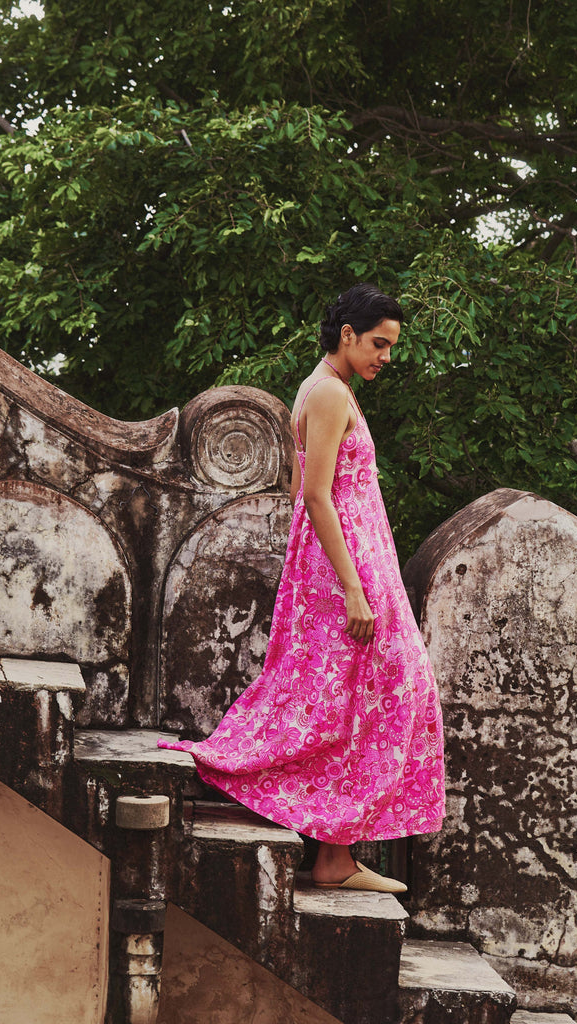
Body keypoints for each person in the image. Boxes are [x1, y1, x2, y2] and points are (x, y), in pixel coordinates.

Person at [159, 284, 445, 892]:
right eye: (378, 344)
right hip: (347, 569)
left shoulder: (325, 389)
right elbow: (313, 495)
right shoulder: (329, 394)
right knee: (391, 680)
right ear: (347, 335)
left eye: (390, 347)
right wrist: (352, 588)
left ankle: (337, 854)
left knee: (358, 692)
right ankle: (335, 856)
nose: (385, 357)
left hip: (352, 561)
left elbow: (304, 491)